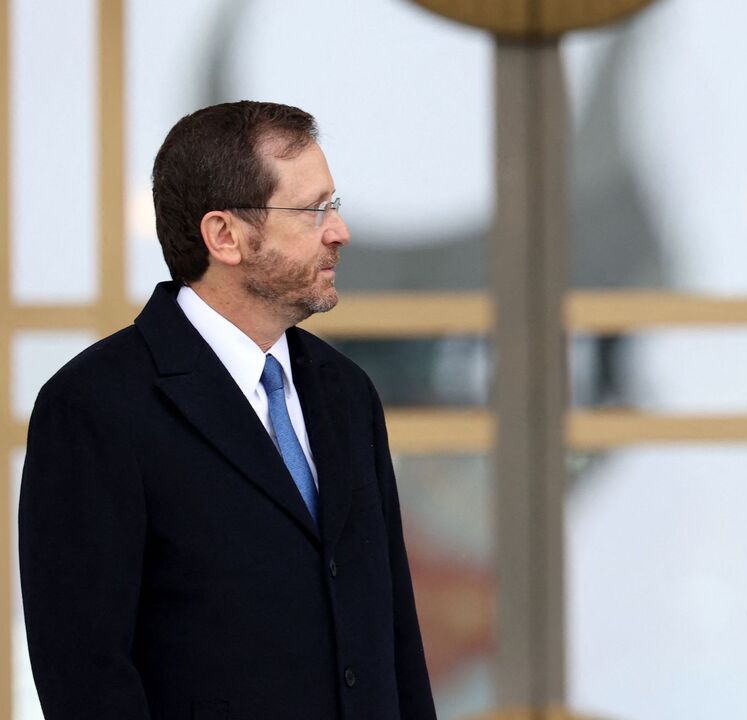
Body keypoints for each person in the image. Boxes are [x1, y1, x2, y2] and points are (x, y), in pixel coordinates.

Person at [19, 101, 437, 719]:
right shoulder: (93, 407)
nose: (339, 231)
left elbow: (395, 631)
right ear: (224, 236)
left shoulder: (347, 392)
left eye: (336, 204)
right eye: (311, 209)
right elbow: (85, 674)